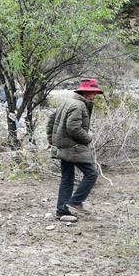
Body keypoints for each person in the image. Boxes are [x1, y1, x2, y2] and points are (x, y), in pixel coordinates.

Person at [46, 79, 103, 222]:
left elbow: (51, 120)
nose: (94, 95)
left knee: (67, 179)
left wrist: (51, 140)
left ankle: (62, 211)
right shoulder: (79, 106)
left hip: (64, 147)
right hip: (73, 148)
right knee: (91, 173)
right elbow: (73, 128)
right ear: (85, 92)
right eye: (92, 92)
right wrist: (88, 138)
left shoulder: (67, 102)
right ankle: (75, 202)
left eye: (95, 92)